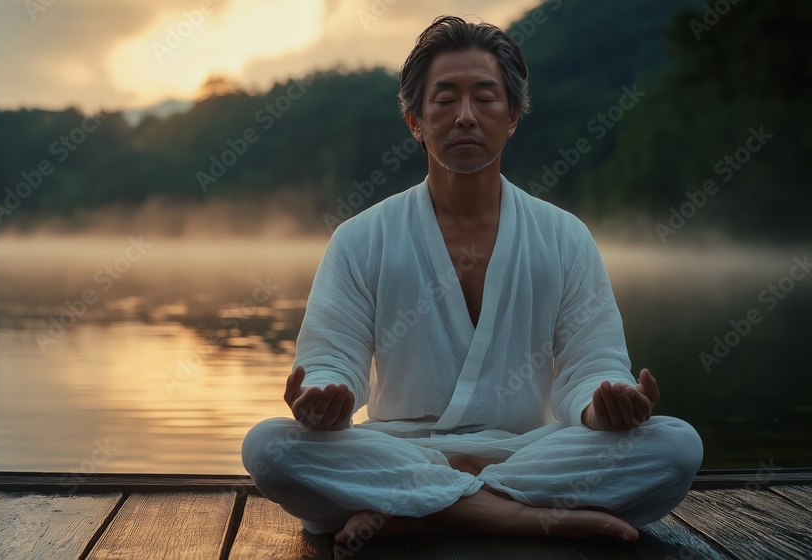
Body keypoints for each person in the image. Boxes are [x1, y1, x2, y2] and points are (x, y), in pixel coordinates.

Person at [241, 15, 702, 544]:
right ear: (415, 121)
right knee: (268, 446)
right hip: (401, 448)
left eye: (485, 98)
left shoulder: (564, 237)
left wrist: (603, 408)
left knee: (676, 445)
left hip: (523, 451)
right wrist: (328, 396)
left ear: (513, 117)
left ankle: (416, 508)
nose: (465, 116)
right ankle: (509, 515)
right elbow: (331, 358)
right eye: (444, 99)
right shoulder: (360, 238)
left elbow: (591, 366)